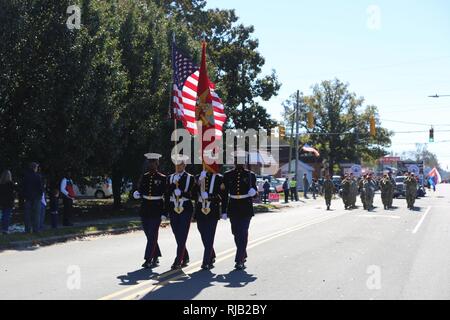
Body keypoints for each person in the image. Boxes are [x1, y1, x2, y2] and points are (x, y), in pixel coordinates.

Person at [222, 151, 258, 271]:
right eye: (237, 161)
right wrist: (223, 210)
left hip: (245, 206)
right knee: (236, 233)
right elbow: (224, 194)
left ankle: (239, 260)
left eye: (241, 161)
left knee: (243, 232)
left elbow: (256, 192)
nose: (239, 163)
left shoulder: (250, 175)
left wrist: (254, 193)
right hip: (233, 206)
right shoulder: (227, 175)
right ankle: (243, 252)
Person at [134, 153, 167, 269]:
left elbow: (166, 196)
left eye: (154, 162)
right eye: (150, 162)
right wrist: (137, 193)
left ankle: (148, 259)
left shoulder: (162, 178)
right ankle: (156, 255)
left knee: (153, 234)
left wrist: (164, 212)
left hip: (156, 208)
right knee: (149, 235)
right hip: (145, 208)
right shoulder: (145, 176)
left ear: (157, 163)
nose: (152, 164)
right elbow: (141, 189)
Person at [167, 155, 195, 270]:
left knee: (182, 234)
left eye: (181, 164)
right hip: (173, 208)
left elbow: (193, 195)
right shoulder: (170, 177)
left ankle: (178, 260)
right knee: (177, 234)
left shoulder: (190, 178)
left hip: (185, 208)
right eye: (177, 164)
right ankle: (185, 256)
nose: (178, 166)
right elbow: (166, 193)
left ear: (185, 165)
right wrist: (173, 185)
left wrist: (182, 193)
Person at [194, 169, 225, 271]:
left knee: (210, 235)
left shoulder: (219, 178)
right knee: (202, 233)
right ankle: (211, 254)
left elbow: (222, 196)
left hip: (212, 209)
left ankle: (206, 261)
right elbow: (192, 193)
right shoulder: (199, 176)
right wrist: (198, 182)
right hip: (200, 209)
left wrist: (211, 197)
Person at [23, 162, 44, 233]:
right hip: (36, 197)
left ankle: (27, 229)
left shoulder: (26, 176)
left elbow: (23, 187)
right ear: (35, 168)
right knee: (36, 214)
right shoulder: (38, 176)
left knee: (27, 214)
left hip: (28, 197)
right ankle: (36, 229)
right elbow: (40, 187)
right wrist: (40, 195)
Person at [0, 170, 15, 235]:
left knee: (3, 215)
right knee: (7, 216)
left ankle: (2, 228)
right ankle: (5, 229)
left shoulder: (1, 184)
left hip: (2, 202)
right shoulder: (11, 184)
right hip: (9, 202)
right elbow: (13, 193)